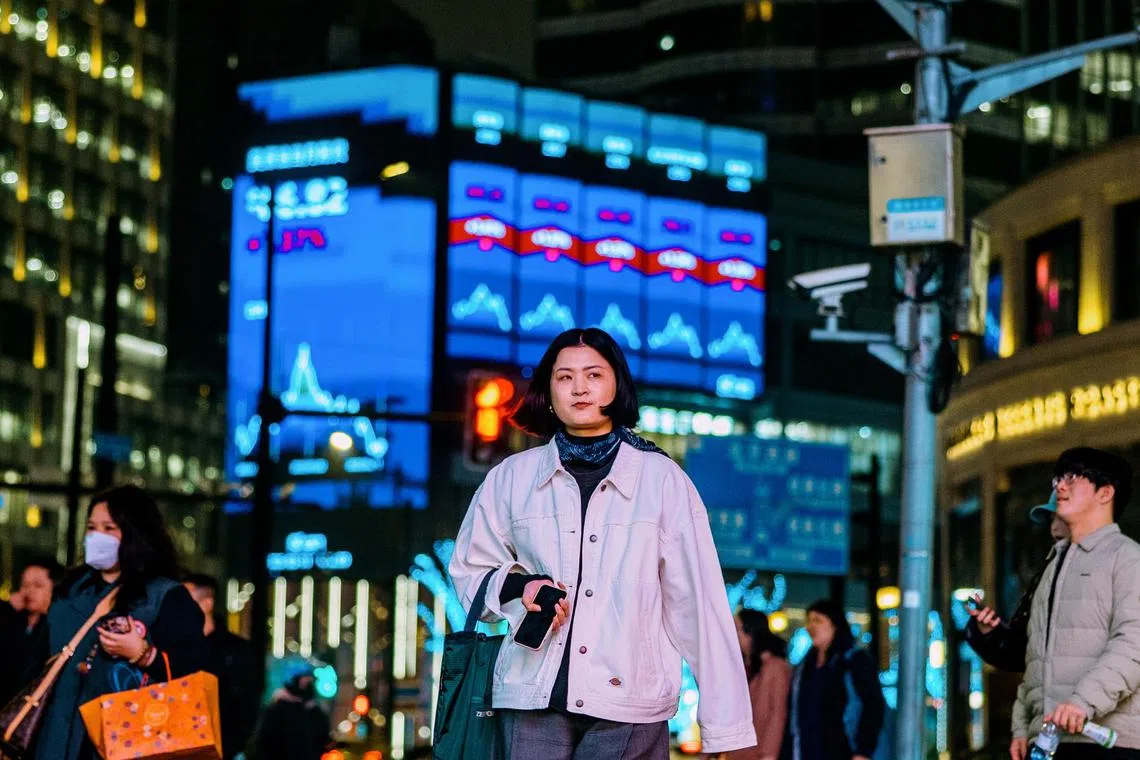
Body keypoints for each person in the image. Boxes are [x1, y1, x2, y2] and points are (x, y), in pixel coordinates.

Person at [450, 327, 756, 759]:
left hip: (630, 701)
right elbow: (469, 571)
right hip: (531, 696)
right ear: (547, 391)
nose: (579, 388)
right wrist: (521, 589)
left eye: (593, 374)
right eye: (564, 377)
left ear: (617, 384)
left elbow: (699, 604)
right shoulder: (511, 478)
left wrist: (728, 729)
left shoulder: (662, 481)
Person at [30, 485, 208, 760]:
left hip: (122, 742)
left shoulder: (164, 597)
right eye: (91, 527)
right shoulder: (70, 592)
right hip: (53, 739)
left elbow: (195, 673)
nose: (96, 536)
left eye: (109, 528)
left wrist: (144, 655)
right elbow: (34, 663)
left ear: (135, 533)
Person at [1010, 447, 1140, 760]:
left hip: (1107, 742)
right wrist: (1021, 728)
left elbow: (1133, 644)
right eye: (1058, 478)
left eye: (1073, 478)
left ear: (1105, 493)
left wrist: (1083, 703)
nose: (1059, 486)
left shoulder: (1127, 558)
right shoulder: (1054, 564)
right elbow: (1036, 660)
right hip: (1049, 742)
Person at [965, 492, 1070, 673]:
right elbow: (1025, 652)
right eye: (1052, 520)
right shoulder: (1049, 572)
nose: (1054, 528)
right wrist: (990, 633)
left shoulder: (1113, 565)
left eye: (1062, 519)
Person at [786, 599, 885, 760]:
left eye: (818, 620)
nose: (810, 626)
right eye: (808, 621)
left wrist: (863, 750)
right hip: (807, 749)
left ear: (834, 624)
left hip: (843, 750)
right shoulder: (805, 666)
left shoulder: (854, 660)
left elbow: (872, 705)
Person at [184, 573, 258, 760]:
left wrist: (230, 746)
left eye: (185, 598)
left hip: (220, 748)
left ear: (207, 602)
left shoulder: (235, 650)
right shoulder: (174, 646)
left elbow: (247, 703)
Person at [724, 609, 791, 760]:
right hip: (738, 752)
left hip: (758, 753)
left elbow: (778, 713)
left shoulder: (775, 667)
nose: (733, 634)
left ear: (750, 631)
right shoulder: (743, 668)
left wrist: (769, 755)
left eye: (737, 628)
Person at [0, 556, 62, 705]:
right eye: (25, 585)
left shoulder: (56, 626)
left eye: (38, 585)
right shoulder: (13, 618)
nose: (29, 591)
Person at [247, 670, 332, 760]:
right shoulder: (277, 710)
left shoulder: (315, 712)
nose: (307, 684)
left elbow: (323, 740)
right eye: (305, 681)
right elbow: (265, 742)